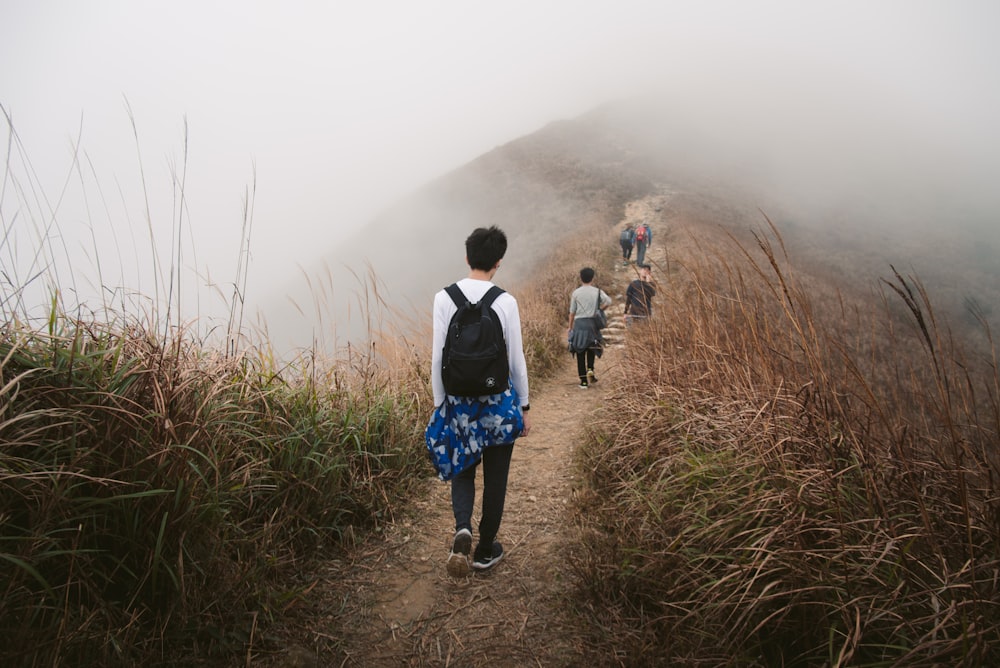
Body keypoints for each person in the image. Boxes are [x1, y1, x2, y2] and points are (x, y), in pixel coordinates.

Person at [429, 226, 531, 577]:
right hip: (499, 404)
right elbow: (516, 360)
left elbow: (436, 357)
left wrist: (440, 403)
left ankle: (463, 529)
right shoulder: (505, 301)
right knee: (496, 477)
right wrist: (525, 406)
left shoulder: (444, 298)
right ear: (498, 262)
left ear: (467, 256)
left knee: (463, 468)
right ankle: (485, 550)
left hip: (458, 402)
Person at [568, 267, 611, 388]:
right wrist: (599, 310)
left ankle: (583, 382)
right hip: (592, 324)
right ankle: (590, 369)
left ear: (581, 278)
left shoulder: (576, 293)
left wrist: (570, 327)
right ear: (592, 278)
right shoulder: (597, 291)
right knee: (592, 347)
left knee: (580, 351)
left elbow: (572, 312)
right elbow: (608, 301)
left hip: (580, 324)